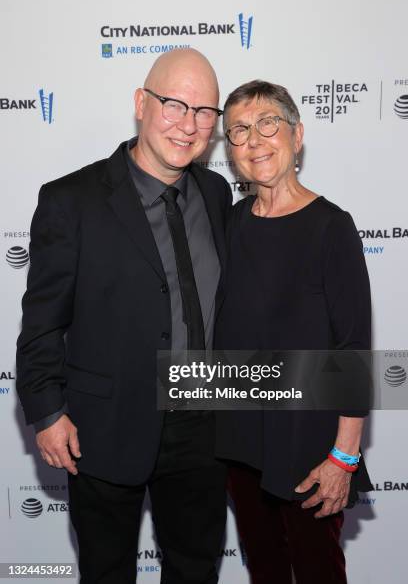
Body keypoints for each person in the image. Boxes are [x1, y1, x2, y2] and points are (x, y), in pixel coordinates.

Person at [16, 48, 232, 584]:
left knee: (195, 569)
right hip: (104, 427)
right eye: (175, 104)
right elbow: (42, 321)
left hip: (204, 424)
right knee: (107, 572)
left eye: (206, 112)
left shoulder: (217, 191)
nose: (190, 125)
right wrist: (46, 411)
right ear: (141, 102)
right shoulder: (72, 199)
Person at [215, 80, 372, 584]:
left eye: (268, 124)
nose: (255, 141)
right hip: (241, 442)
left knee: (317, 571)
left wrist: (343, 458)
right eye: (239, 130)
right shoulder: (233, 223)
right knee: (265, 572)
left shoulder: (332, 228)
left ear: (297, 135)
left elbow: (353, 352)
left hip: (309, 446)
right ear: (229, 148)